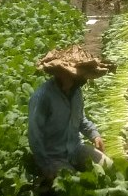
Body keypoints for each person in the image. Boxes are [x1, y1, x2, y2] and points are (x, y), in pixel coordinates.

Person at [28, 46, 114, 181]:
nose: (79, 79)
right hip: (53, 156)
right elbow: (35, 135)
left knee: (109, 166)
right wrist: (45, 164)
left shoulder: (76, 93)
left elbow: (80, 119)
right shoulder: (43, 97)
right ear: (60, 73)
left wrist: (94, 135)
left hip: (76, 149)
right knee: (72, 182)